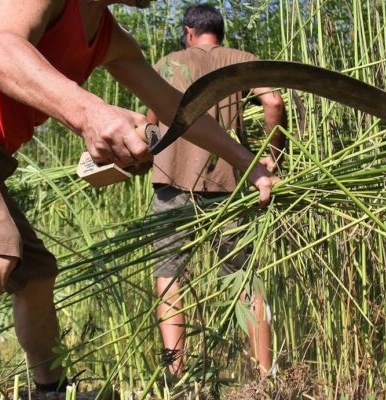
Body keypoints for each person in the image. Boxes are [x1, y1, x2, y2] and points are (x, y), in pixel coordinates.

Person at [0, 0, 278, 399]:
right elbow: (2, 52)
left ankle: (49, 391)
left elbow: (176, 108)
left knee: (36, 274)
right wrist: (90, 113)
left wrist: (247, 160)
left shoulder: (110, 40)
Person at [146, 4, 285, 377]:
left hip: (171, 183)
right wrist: (270, 156)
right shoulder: (241, 59)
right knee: (242, 279)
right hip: (228, 184)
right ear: (218, 32)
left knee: (169, 278)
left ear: (189, 31)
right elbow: (273, 101)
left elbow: (150, 125)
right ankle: (263, 376)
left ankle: (175, 376)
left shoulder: (168, 64)